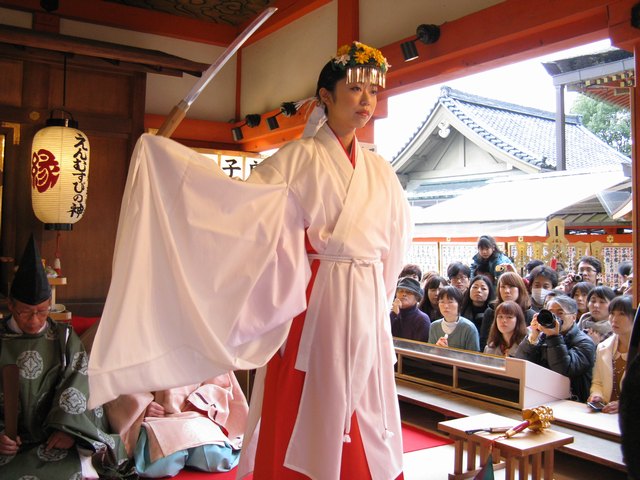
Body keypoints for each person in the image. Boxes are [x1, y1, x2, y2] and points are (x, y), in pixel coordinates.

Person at [87, 41, 412, 480]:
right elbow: (237, 208)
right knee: (312, 400)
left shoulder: (382, 172)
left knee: (368, 408)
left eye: (372, 92)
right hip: (316, 302)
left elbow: (394, 245)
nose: (366, 101)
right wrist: (163, 160)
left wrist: (378, 301)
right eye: (354, 90)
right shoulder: (297, 160)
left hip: (367, 299)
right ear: (326, 98)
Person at [0, 235, 129, 479]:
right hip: (9, 440)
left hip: (54, 435)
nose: (35, 320)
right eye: (26, 312)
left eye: (42, 310)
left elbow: (77, 381)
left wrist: (69, 430)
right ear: (10, 305)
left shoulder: (64, 337)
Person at [105, 372, 248, 477]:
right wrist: (144, 407)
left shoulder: (202, 335)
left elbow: (220, 381)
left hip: (196, 415)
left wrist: (199, 402)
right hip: (157, 420)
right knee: (160, 463)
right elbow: (118, 376)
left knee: (216, 456)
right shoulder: (138, 334)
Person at [515, 295, 596, 402]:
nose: (555, 317)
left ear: (573, 317)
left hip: (571, 402)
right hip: (540, 398)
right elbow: (521, 364)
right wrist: (533, 337)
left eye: (560, 313)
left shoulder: (585, 342)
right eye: (551, 313)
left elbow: (564, 370)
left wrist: (553, 337)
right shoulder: (543, 336)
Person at [588, 296, 635, 414]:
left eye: (622, 314)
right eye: (612, 313)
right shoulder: (603, 347)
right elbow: (598, 382)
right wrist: (597, 396)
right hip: (606, 415)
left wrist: (626, 405)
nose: (614, 319)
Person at [479, 272, 535, 350]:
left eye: (511, 286)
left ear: (520, 288)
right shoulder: (491, 312)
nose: (507, 291)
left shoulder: (530, 315)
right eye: (503, 287)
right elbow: (484, 341)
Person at [428, 286, 480, 351]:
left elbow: (474, 358)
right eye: (442, 302)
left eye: (450, 302)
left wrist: (448, 353)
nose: (446, 306)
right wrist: (436, 350)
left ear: (459, 304)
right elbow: (430, 353)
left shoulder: (469, 328)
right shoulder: (434, 326)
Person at [390, 277, 431, 342]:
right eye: (400, 291)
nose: (404, 294)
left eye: (409, 292)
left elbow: (421, 348)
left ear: (417, 298)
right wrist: (393, 314)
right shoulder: (391, 314)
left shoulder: (422, 319)